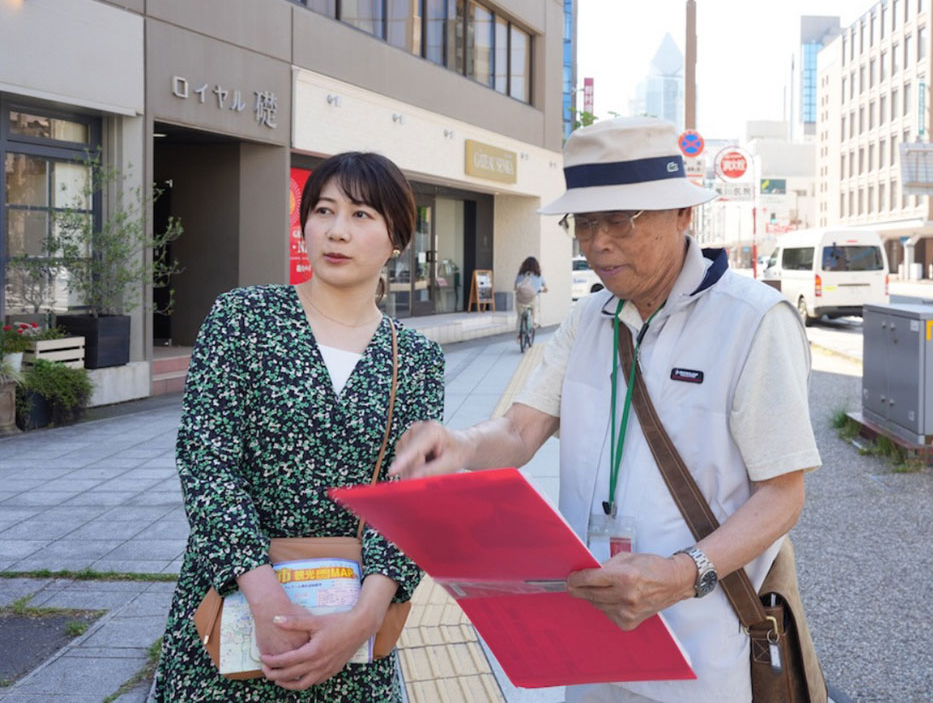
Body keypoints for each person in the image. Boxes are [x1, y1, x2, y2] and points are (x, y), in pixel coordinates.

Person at [392, 117, 822, 702]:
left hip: (701, 649)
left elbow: (783, 492)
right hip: (589, 637)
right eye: (585, 223)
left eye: (620, 219)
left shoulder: (753, 320)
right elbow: (520, 431)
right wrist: (462, 445)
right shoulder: (587, 317)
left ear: (682, 214)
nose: (598, 243)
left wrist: (681, 572)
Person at [154, 152, 442, 700]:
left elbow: (411, 498)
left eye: (361, 216)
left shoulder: (418, 357)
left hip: (351, 621)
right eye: (324, 211)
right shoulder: (243, 318)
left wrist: (365, 617)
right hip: (238, 601)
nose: (337, 231)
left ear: (397, 237)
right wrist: (264, 598)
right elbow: (206, 457)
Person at [514, 255, 548, 328]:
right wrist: (542, 290)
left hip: (520, 301)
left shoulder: (520, 275)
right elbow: (546, 289)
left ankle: (519, 336)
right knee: (535, 308)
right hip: (533, 300)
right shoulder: (539, 276)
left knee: (520, 317)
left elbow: (515, 288)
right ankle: (535, 320)